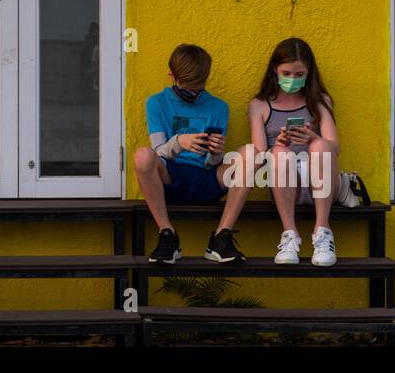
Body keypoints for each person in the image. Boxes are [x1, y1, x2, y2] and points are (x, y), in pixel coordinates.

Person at [214, 37, 368, 268]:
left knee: (321, 145)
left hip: (322, 181)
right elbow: (259, 153)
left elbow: (334, 148)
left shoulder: (319, 101)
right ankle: (289, 234)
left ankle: (323, 232)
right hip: (284, 182)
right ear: (275, 70)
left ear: (309, 73)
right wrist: (280, 143)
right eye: (286, 73)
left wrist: (313, 138)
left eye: (299, 74)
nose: (292, 79)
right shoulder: (260, 105)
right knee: (279, 152)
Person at [132, 44, 229, 264]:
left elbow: (211, 163)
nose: (194, 92)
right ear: (172, 76)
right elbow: (158, 152)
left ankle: (222, 237)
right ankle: (167, 234)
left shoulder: (219, 107)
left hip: (205, 177)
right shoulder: (156, 102)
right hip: (169, 177)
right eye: (189, 86)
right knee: (142, 155)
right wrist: (179, 142)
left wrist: (216, 153)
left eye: (199, 86)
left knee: (247, 156)